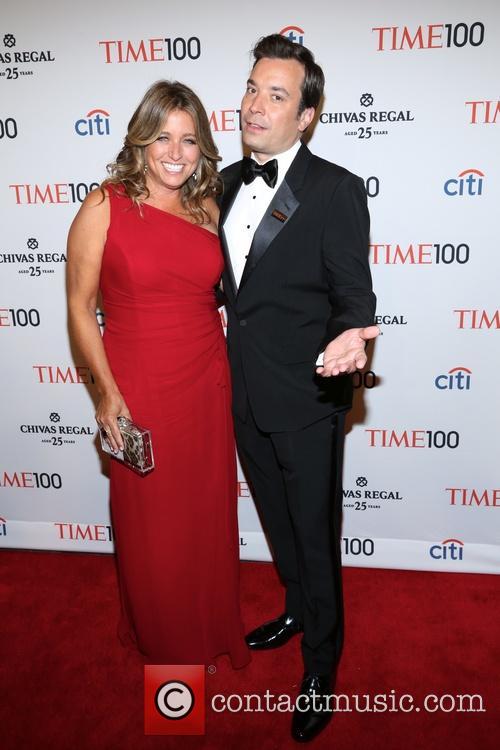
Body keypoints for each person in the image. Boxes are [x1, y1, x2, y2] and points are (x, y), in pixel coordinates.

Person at [219, 35, 378, 740]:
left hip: (309, 401)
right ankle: (292, 609)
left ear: (307, 114)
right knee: (279, 526)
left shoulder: (336, 189)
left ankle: (322, 662)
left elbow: (353, 294)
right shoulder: (220, 183)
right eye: (253, 88)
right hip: (244, 394)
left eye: (276, 95)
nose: (256, 104)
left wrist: (353, 330)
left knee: (315, 537)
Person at [67, 80, 249, 668]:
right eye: (164, 137)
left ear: (203, 147)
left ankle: (206, 628)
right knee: (151, 530)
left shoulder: (208, 207)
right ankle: (170, 654)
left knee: (202, 520)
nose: (177, 152)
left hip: (205, 382)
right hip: (138, 385)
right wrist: (106, 395)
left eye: (190, 139)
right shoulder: (104, 204)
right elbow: (79, 305)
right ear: (141, 140)